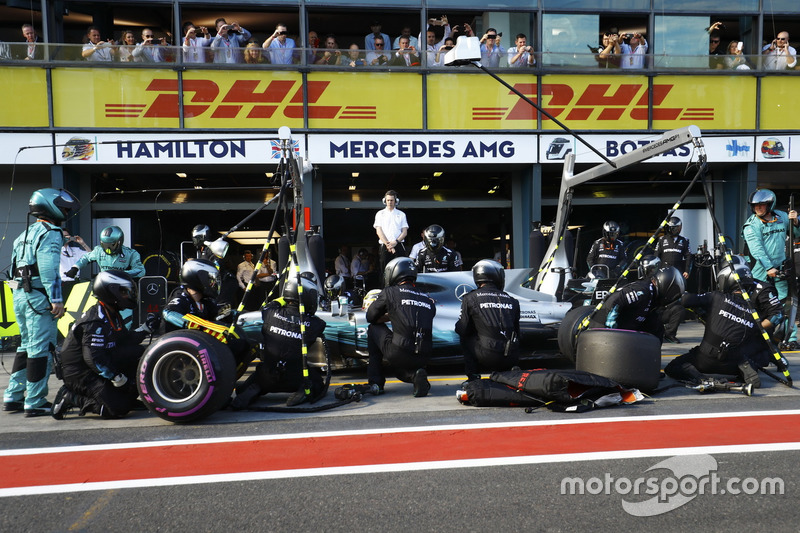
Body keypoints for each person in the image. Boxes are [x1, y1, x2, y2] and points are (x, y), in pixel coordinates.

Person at [3, 188, 78, 416]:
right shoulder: (52, 232)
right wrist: (56, 299)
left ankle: (13, 396)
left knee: (25, 348)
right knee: (41, 350)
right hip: (38, 297)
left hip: (21, 296)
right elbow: (48, 270)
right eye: (63, 207)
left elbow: (16, 265)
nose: (66, 210)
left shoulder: (24, 233)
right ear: (49, 206)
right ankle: (35, 401)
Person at [51, 271, 159, 420]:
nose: (128, 295)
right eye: (124, 292)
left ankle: (123, 397)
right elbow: (93, 358)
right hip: (79, 373)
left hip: (98, 363)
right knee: (117, 409)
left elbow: (125, 340)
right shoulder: (95, 320)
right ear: (111, 292)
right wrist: (118, 378)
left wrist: (146, 328)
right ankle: (71, 396)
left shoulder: (111, 313)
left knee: (140, 355)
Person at [664, 263, 782, 388]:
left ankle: (699, 378)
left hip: (705, 359)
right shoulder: (754, 314)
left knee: (673, 367)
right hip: (732, 364)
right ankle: (745, 366)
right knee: (744, 352)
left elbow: (686, 300)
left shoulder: (716, 297)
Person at [231, 274, 326, 409]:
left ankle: (254, 389)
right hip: (295, 378)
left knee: (245, 386)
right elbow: (317, 322)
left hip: (266, 377)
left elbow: (271, 304)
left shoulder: (269, 312)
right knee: (318, 383)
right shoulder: (317, 324)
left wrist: (286, 298)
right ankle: (304, 392)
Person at [366, 257, 436, 397]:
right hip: (424, 354)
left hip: (400, 350)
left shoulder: (389, 292)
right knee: (399, 366)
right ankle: (415, 375)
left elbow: (371, 316)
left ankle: (376, 383)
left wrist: (390, 315)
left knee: (373, 328)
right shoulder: (427, 298)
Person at [455, 260, 520, 382]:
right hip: (512, 354)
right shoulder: (512, 300)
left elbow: (461, 329)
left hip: (487, 354)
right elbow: (517, 332)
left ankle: (473, 375)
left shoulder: (470, 298)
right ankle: (509, 369)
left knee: (465, 336)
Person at [589, 266, 685, 340]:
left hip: (628, 334)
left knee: (657, 326)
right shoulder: (643, 291)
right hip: (605, 333)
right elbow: (617, 299)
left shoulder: (653, 297)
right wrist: (608, 330)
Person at [654, 216, 692, 343]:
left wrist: (687, 271)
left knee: (678, 303)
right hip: (662, 276)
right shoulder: (661, 240)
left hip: (677, 277)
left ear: (680, 228)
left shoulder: (685, 240)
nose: (673, 230)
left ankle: (670, 332)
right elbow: (655, 257)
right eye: (671, 228)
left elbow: (688, 257)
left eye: (676, 228)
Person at [65, 225, 145, 281]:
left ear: (119, 242)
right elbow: (86, 258)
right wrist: (75, 268)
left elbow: (141, 271)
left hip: (123, 284)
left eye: (111, 245)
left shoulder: (131, 254)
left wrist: (123, 274)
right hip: (104, 284)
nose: (108, 249)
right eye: (105, 245)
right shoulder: (99, 250)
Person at [374, 190, 409, 280]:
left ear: (396, 201)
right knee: (385, 271)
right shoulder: (380, 214)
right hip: (385, 246)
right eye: (388, 200)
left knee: (401, 269)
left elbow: (404, 232)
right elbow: (379, 231)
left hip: (398, 244)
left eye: (391, 200)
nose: (389, 202)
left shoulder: (401, 214)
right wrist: (388, 245)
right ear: (384, 200)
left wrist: (396, 242)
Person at [60, 229, 91, 299]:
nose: (66, 237)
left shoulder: (76, 250)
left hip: (76, 283)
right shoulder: (56, 251)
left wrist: (83, 243)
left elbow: (91, 255)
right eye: (64, 236)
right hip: (62, 283)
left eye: (67, 235)